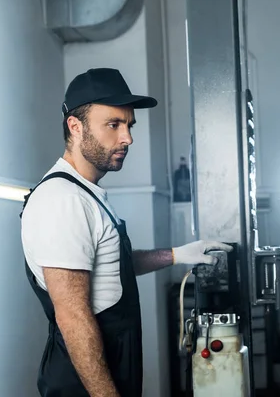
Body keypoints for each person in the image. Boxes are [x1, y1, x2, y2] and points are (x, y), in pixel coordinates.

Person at [20, 68, 231, 397]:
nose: (127, 138)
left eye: (129, 125)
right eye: (113, 124)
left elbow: (109, 267)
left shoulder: (86, 193)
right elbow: (74, 317)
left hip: (111, 373)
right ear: (75, 127)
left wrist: (176, 254)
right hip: (82, 387)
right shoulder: (62, 200)